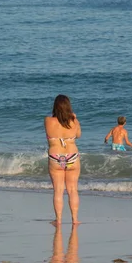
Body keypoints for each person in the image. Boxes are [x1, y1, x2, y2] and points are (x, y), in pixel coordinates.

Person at [44, 94, 82, 226]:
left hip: (55, 156)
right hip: (72, 155)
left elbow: (48, 135)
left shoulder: (48, 120)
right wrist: (75, 119)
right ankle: (75, 219)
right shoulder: (74, 122)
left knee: (58, 190)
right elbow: (78, 135)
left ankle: (58, 220)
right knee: (73, 190)